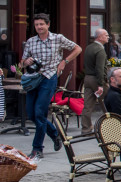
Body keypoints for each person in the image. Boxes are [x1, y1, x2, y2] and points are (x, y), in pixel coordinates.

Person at [20, 13, 81, 161]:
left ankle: (37, 149)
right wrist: (26, 62)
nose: (39, 27)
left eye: (41, 24)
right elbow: (21, 63)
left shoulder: (58, 38)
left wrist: (64, 62)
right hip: (33, 79)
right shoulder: (31, 41)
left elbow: (77, 49)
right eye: (36, 25)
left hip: (49, 78)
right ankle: (55, 135)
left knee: (40, 113)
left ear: (48, 25)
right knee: (32, 114)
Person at [81, 28, 109, 135]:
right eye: (106, 35)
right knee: (108, 101)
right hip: (97, 79)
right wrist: (100, 84)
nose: (108, 37)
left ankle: (86, 128)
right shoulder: (100, 50)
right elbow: (100, 68)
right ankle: (113, 125)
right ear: (100, 37)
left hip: (87, 78)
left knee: (87, 105)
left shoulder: (89, 47)